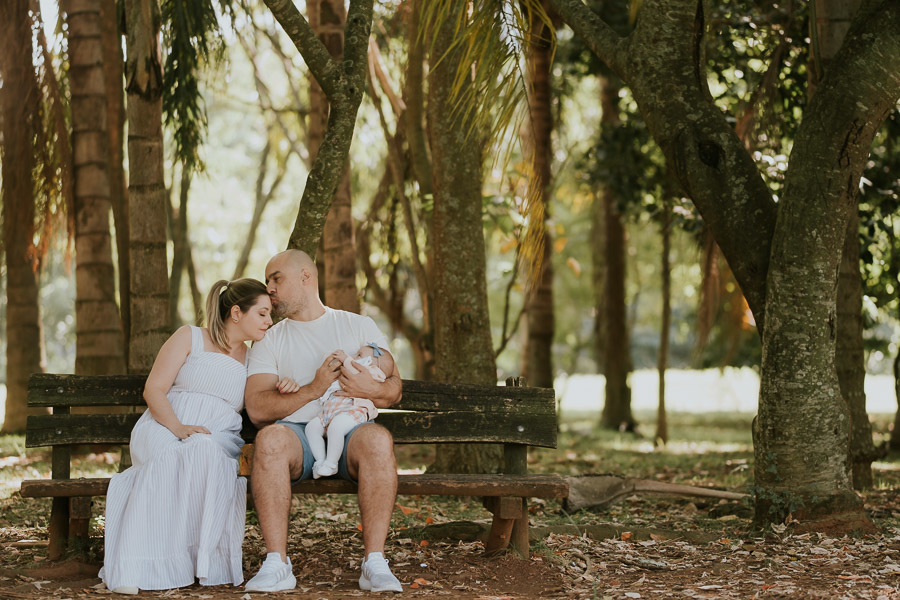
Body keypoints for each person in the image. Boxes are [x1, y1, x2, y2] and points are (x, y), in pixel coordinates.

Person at [243, 249, 403, 593]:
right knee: (269, 440)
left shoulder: (357, 326)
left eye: (276, 279)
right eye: (267, 280)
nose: (269, 288)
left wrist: (368, 387)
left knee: (378, 439)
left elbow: (394, 389)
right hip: (298, 436)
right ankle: (277, 564)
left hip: (351, 429)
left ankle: (374, 562)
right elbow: (256, 408)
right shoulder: (269, 338)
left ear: (306, 277)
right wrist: (313, 389)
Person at [100, 279, 273, 595]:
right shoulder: (189, 336)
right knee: (171, 454)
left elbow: (262, 399)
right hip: (163, 425)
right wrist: (178, 427)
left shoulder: (254, 358)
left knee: (203, 451)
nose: (269, 321)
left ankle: (187, 563)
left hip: (217, 436)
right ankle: (134, 565)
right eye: (262, 313)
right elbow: (153, 389)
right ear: (236, 312)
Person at [278, 343, 393, 479]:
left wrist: (345, 358)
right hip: (331, 411)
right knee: (312, 428)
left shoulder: (373, 373)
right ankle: (320, 461)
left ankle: (331, 463)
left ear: (374, 364)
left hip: (352, 410)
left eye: (359, 355)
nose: (354, 356)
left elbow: (357, 369)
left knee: (336, 427)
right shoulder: (348, 370)